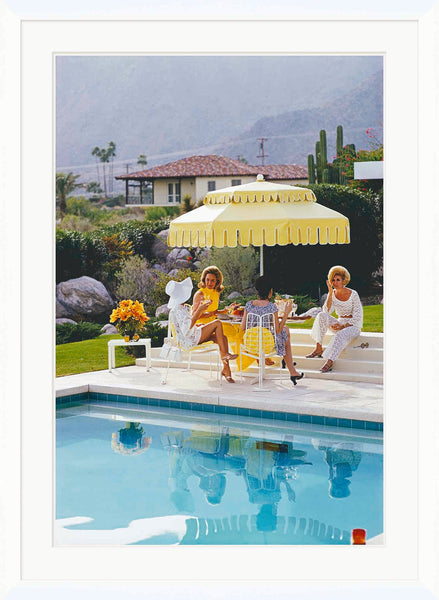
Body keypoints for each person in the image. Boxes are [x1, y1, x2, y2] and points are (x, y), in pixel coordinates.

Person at [165, 277, 238, 383]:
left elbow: (187, 326)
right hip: (189, 340)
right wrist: (199, 310)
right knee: (217, 323)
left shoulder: (181, 308)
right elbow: (186, 330)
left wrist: (198, 326)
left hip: (192, 335)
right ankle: (224, 355)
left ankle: (226, 370)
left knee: (223, 338)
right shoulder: (178, 310)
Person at [240, 276, 308, 386]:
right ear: (270, 292)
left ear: (257, 291)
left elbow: (243, 327)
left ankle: (290, 367)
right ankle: (291, 369)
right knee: (285, 333)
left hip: (250, 343)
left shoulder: (248, 305)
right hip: (266, 344)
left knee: (285, 331)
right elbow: (277, 330)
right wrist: (286, 313)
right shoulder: (272, 307)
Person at [306, 265, 363, 373]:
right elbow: (326, 311)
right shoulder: (332, 294)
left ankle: (329, 362)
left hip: (353, 326)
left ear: (343, 281)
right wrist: (330, 293)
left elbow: (358, 317)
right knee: (321, 315)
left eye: (338, 280)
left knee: (340, 334)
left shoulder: (353, 294)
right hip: (339, 323)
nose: (335, 282)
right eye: (333, 280)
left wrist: (343, 326)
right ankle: (318, 347)